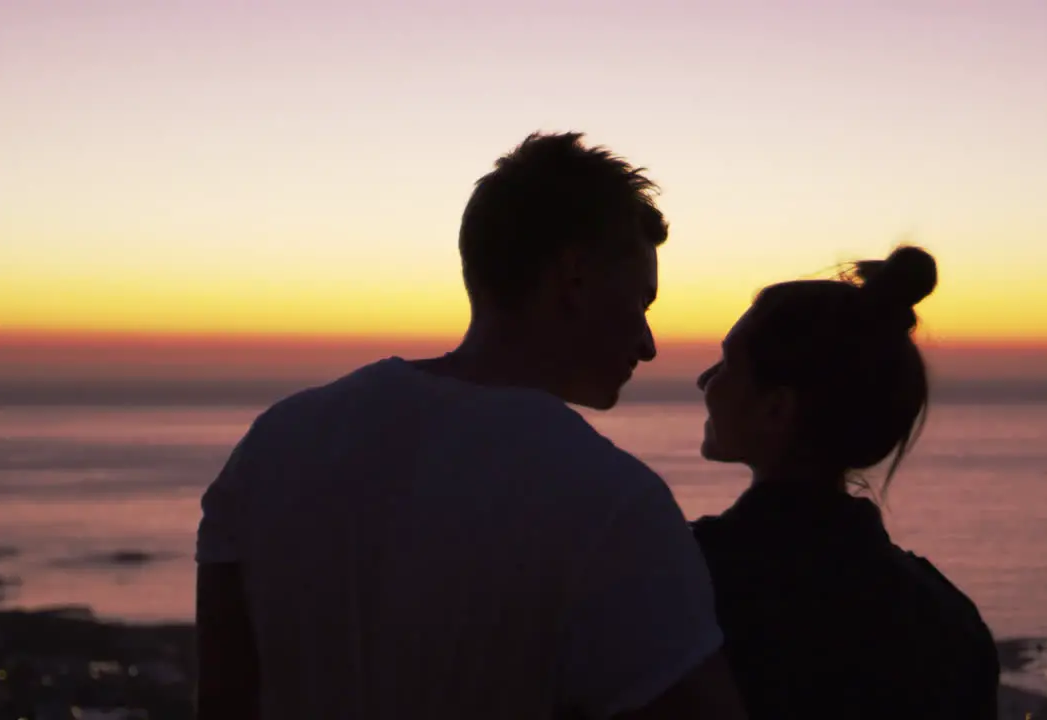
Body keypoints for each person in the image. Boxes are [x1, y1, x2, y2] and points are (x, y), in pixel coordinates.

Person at [195, 132, 746, 720]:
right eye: (641, 301)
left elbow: (223, 701)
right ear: (575, 276)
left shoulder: (277, 443)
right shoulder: (613, 502)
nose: (648, 344)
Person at [692, 245, 1000, 719]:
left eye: (727, 364)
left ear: (777, 409)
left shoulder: (688, 580)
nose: (704, 380)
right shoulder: (945, 614)